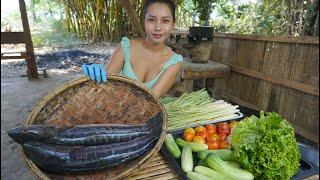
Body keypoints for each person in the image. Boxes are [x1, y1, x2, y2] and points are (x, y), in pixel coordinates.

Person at [82, 0, 183, 98]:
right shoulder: (126, 47)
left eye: (165, 21)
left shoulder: (174, 62)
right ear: (144, 21)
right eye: (151, 20)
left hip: (148, 114)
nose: (158, 27)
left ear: (173, 24)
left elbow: (151, 100)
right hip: (111, 110)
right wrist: (96, 73)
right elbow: (102, 86)